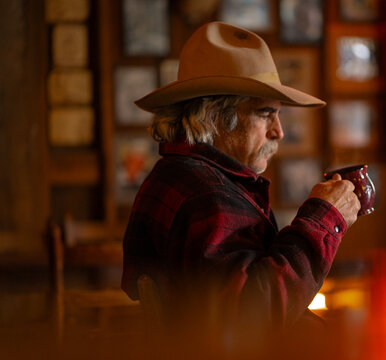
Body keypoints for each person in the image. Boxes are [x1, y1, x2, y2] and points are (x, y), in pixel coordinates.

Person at [121, 21, 361, 356]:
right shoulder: (206, 193)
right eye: (266, 114)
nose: (278, 132)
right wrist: (323, 218)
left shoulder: (183, 176)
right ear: (214, 116)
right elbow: (248, 316)